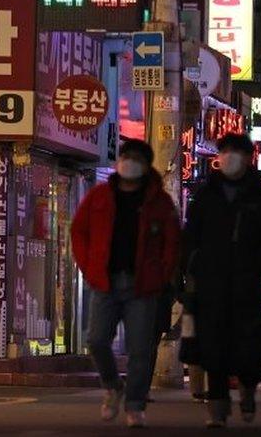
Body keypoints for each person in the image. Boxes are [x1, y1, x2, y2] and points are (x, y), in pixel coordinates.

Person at [71, 140, 180, 428]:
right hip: (104, 282)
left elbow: (172, 242)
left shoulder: (159, 202)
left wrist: (162, 273)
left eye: (135, 159)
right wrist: (88, 266)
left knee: (140, 349)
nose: (129, 162)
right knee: (96, 340)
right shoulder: (99, 196)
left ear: (146, 166)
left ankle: (134, 405)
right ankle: (112, 386)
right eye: (125, 157)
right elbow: (79, 232)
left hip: (142, 285)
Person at [183, 133, 261, 428]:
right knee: (213, 346)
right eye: (224, 151)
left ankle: (248, 388)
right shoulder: (206, 194)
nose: (229, 157)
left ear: (248, 158)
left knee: (250, 344)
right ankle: (217, 408)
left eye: (235, 152)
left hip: (246, 283)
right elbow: (191, 235)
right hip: (211, 283)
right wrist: (192, 267)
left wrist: (257, 266)